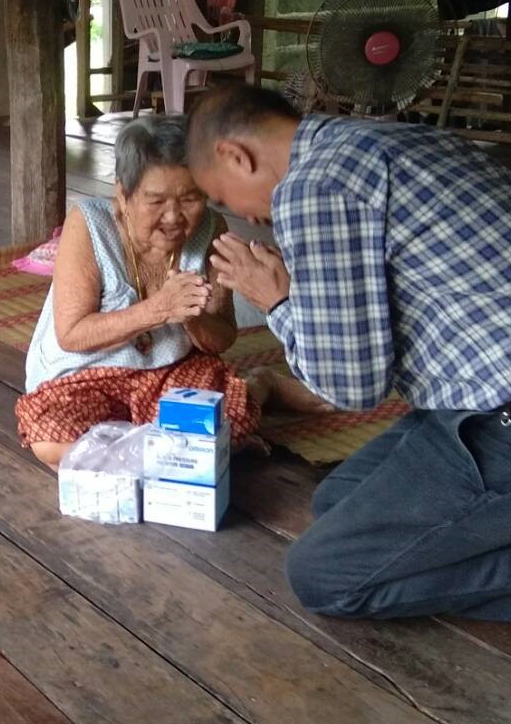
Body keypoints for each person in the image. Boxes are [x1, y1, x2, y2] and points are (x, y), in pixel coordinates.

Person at [188, 84, 511, 660]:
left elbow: (350, 387)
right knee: (339, 501)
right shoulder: (392, 140)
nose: (247, 217)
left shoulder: (314, 186)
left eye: (227, 199)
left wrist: (279, 301)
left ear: (236, 156)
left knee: (327, 575)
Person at [17, 115, 322, 469]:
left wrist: (192, 317)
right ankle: (192, 452)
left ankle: (259, 388)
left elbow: (221, 339)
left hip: (168, 371)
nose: (174, 216)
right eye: (156, 201)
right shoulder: (89, 224)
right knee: (52, 442)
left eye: (190, 198)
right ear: (123, 194)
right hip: (82, 375)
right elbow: (72, 335)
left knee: (227, 415)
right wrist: (159, 309)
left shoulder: (211, 229)